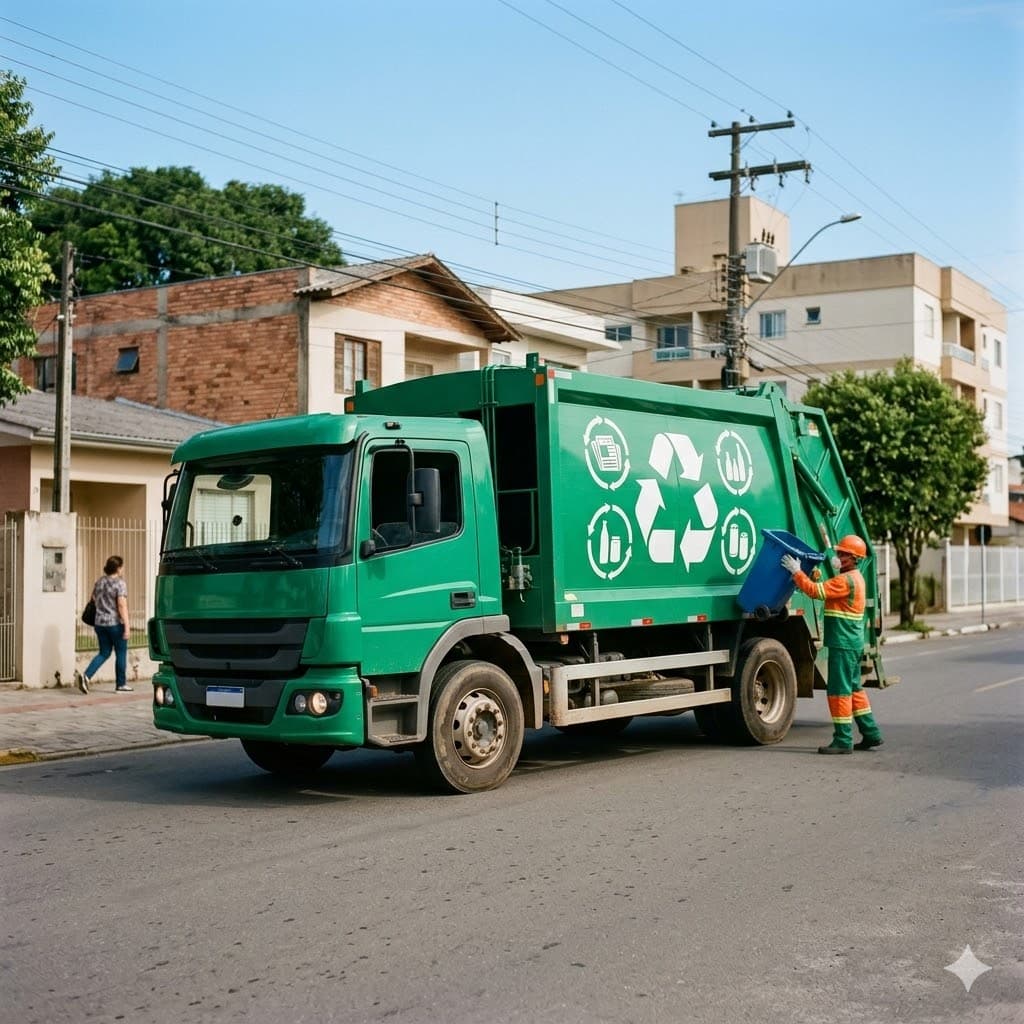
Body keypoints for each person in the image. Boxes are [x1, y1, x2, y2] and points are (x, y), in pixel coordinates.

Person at [781, 534, 883, 755]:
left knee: (839, 691)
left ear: (854, 558)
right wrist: (815, 576)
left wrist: (796, 572)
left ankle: (843, 740)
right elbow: (828, 589)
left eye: (843, 554)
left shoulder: (845, 580)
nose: (838, 557)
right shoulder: (854, 578)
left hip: (843, 644)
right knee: (854, 689)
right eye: (839, 553)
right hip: (851, 643)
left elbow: (816, 592)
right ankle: (871, 733)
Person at [76, 555, 133, 694]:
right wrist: (127, 626)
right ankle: (121, 684)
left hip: (99, 623)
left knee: (104, 652)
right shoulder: (120, 583)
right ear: (118, 568)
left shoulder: (99, 582)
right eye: (122, 567)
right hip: (114, 624)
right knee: (121, 652)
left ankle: (86, 676)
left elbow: (92, 599)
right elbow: (121, 605)